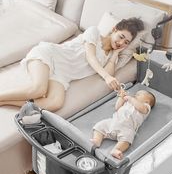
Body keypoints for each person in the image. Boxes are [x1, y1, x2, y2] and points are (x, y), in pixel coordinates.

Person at [0, 17, 144, 111]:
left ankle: (5, 102)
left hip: (62, 76)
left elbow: (108, 73)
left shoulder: (111, 58)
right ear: (114, 30)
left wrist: (115, 54)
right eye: (121, 37)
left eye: (126, 42)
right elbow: (90, 57)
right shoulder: (94, 32)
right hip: (50, 55)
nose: (120, 43)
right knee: (39, 90)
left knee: (55, 103)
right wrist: (107, 76)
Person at [91, 89, 156, 160]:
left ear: (147, 101)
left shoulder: (145, 107)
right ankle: (97, 140)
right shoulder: (128, 102)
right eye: (135, 94)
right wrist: (121, 97)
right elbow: (117, 107)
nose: (135, 95)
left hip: (127, 128)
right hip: (114, 122)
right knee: (101, 125)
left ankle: (116, 149)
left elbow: (141, 108)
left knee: (128, 138)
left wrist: (130, 98)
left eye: (138, 95)